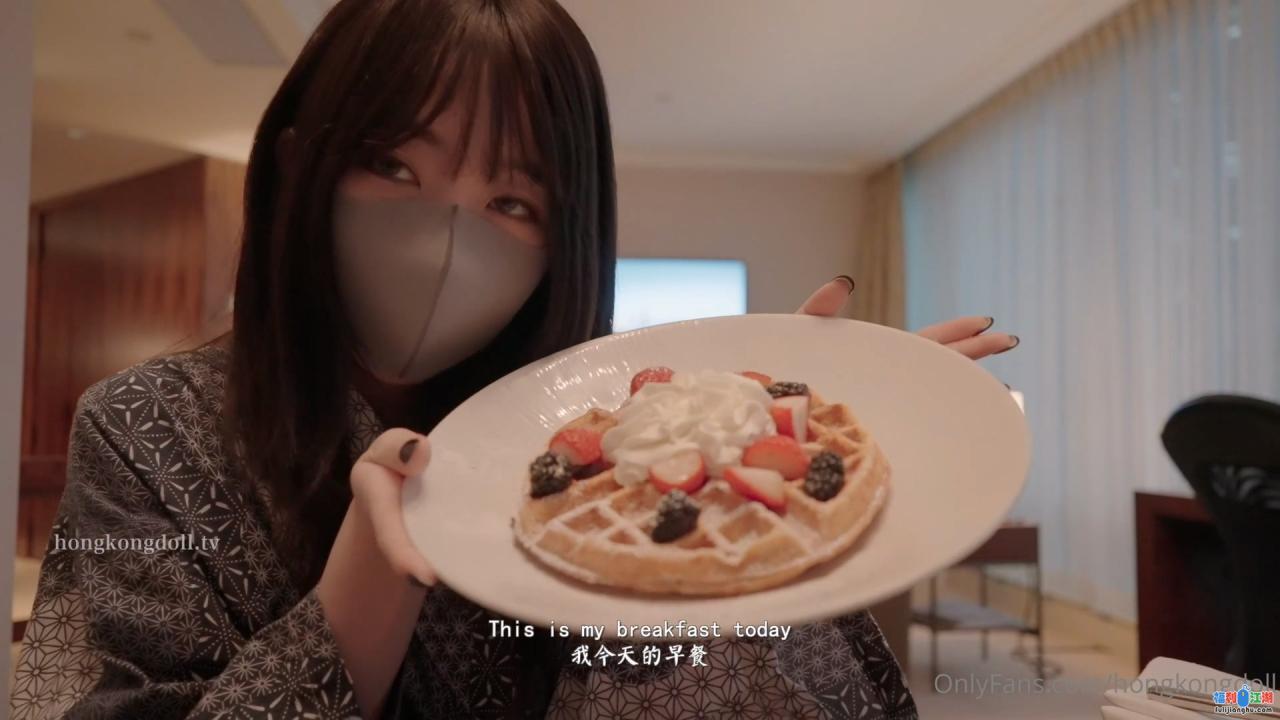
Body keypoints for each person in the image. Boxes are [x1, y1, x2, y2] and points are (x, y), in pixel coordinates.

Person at [8, 1, 1019, 718]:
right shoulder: (142, 427)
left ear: (564, 241)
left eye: (511, 201)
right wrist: (362, 591)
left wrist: (753, 501)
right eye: (392, 163)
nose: (446, 240)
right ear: (299, 163)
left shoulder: (577, 433)